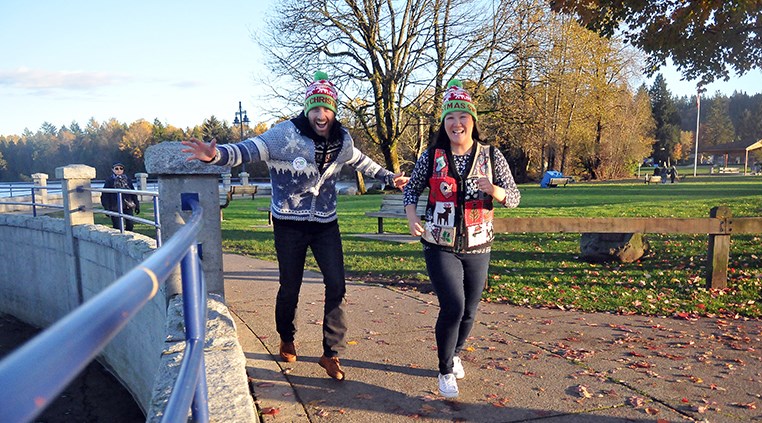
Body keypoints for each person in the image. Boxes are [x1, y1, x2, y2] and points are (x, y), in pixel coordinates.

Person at [181, 71, 409, 381]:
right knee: (291, 286)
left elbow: (361, 161)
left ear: (334, 110)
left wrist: (389, 177)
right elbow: (247, 150)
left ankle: (331, 354)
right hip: (289, 223)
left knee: (337, 285)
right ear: (307, 109)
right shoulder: (283, 135)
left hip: (326, 222)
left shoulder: (342, 139)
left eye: (326, 108)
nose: (321, 114)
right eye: (315, 108)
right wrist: (216, 156)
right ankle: (286, 337)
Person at [402, 79, 520, 398]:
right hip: (440, 243)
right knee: (453, 305)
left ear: (473, 120)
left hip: (479, 244)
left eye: (463, 117)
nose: (457, 124)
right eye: (450, 118)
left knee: (470, 309)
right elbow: (412, 189)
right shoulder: (432, 156)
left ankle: (455, 353)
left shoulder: (492, 156)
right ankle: (444, 370)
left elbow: (515, 197)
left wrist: (495, 191)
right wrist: (413, 216)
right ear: (444, 123)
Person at [100, 162, 139, 231]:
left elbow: (133, 193)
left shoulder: (127, 179)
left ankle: (128, 239)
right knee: (117, 227)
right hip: (115, 206)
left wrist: (137, 205)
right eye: (116, 168)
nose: (119, 170)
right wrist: (106, 208)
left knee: (130, 224)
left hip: (128, 205)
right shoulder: (109, 180)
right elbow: (105, 195)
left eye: (121, 168)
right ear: (113, 170)